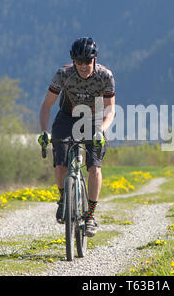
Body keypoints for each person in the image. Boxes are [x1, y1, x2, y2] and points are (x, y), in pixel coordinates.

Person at [38, 37, 116, 237]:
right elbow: (46, 106)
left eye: (87, 62)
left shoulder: (105, 76)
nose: (82, 66)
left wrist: (102, 131)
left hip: (94, 119)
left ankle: (89, 216)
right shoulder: (63, 74)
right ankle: (64, 198)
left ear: (95, 60)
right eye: (78, 62)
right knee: (61, 164)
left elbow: (110, 110)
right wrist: (44, 131)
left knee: (94, 167)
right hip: (67, 117)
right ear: (73, 61)